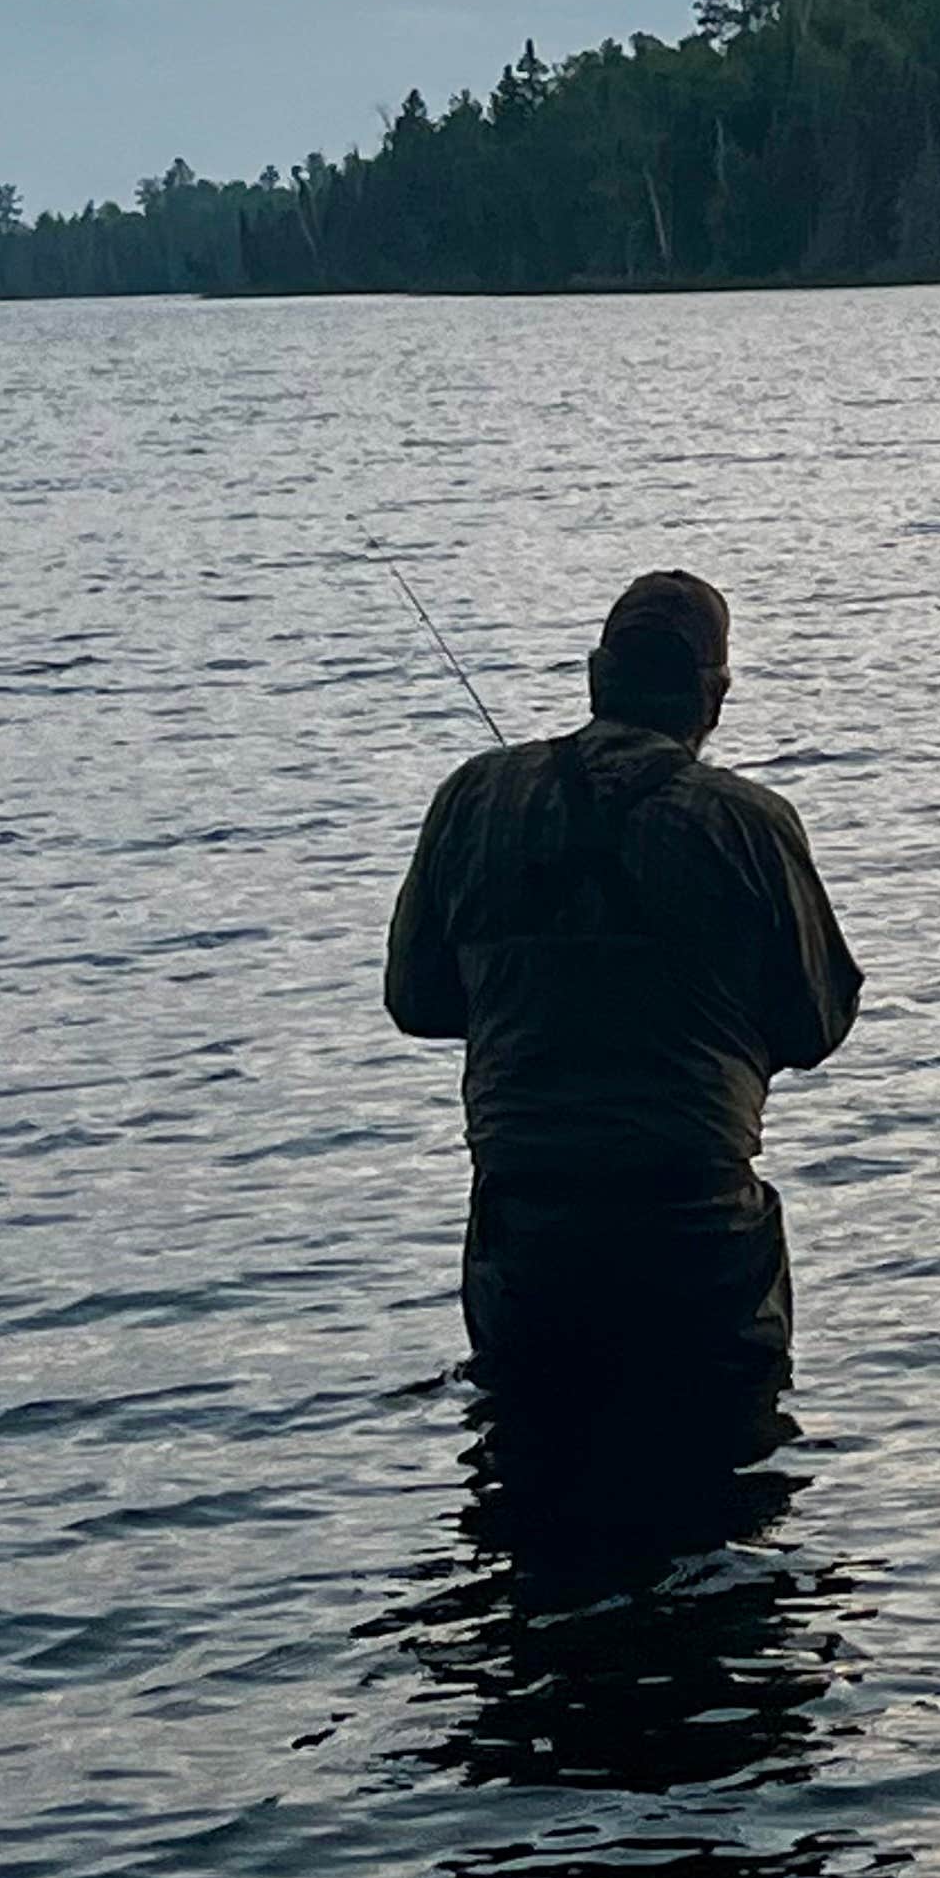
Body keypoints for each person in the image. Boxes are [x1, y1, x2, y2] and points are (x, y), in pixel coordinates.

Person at [383, 569, 861, 1481]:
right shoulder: (748, 824)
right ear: (713, 698)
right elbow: (815, 1022)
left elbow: (418, 1002)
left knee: (530, 1507)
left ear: (595, 674)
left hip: (529, 1237)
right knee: (722, 1502)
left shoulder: (474, 799)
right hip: (698, 1237)